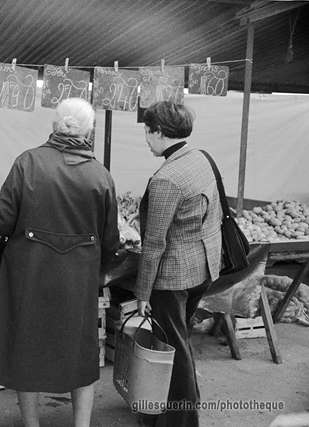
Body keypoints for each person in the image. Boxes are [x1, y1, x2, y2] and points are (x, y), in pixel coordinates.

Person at [0, 97, 120, 427]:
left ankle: (32, 425)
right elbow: (111, 242)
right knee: (81, 353)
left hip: (29, 276)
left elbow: (1, 224)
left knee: (27, 349)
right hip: (79, 281)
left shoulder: (28, 163)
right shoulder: (101, 176)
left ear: (55, 124)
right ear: (89, 131)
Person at [134, 100, 223, 427]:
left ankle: (183, 421)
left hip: (173, 277)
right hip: (203, 267)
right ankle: (171, 409)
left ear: (158, 132)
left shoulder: (166, 178)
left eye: (147, 131)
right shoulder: (200, 158)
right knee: (180, 339)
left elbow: (155, 242)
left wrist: (142, 293)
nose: (146, 139)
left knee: (174, 348)